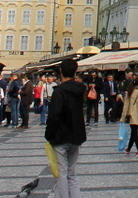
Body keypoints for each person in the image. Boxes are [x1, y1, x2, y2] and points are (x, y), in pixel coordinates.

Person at [45, 59, 88, 198]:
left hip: (61, 136)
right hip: (76, 136)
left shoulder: (59, 92)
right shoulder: (80, 90)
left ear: (60, 72)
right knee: (72, 172)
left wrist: (49, 135)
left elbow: (54, 116)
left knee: (62, 173)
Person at [124, 78, 138, 159]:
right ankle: (128, 149)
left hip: (131, 114)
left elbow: (126, 106)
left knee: (134, 132)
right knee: (134, 131)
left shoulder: (129, 92)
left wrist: (123, 117)